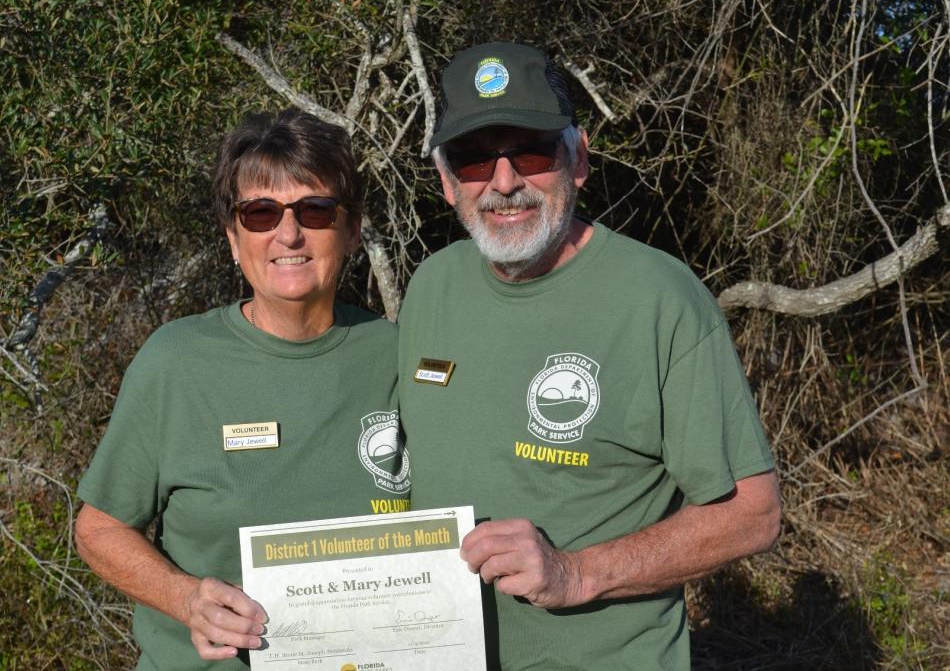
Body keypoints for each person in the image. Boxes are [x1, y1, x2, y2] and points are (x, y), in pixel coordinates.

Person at [398, 42, 781, 669]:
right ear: (445, 182)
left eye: (529, 150)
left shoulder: (660, 297)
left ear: (576, 159)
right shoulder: (430, 287)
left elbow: (753, 514)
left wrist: (576, 573)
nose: (503, 182)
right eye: (472, 160)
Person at [75, 109, 410, 669]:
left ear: (351, 231)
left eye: (315, 210)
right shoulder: (176, 361)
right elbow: (99, 528)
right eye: (260, 213)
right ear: (234, 237)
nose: (288, 233)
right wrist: (185, 600)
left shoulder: (398, 355)